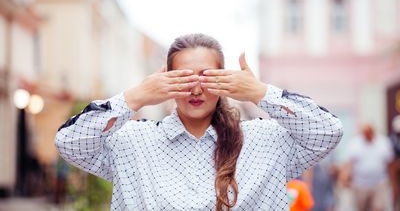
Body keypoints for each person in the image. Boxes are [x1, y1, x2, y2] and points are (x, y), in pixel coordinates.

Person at [54, 33, 343, 210]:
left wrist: (259, 92)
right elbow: (68, 143)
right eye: (183, 78)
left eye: (206, 77)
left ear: (224, 80)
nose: (195, 89)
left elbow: (329, 131)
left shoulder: (267, 140)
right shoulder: (131, 141)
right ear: (164, 80)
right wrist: (136, 96)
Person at [341, 124, 394, 211]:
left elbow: (390, 163)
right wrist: (344, 177)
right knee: (361, 208)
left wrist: (392, 182)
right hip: (360, 184)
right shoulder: (355, 143)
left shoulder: (383, 142)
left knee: (379, 207)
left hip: (379, 183)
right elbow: (348, 163)